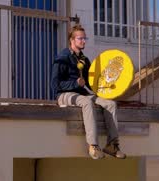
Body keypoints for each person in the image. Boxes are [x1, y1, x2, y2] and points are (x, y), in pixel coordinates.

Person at [52, 24, 125, 160]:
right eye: (80, 39)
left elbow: (92, 85)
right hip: (63, 95)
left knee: (110, 104)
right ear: (72, 40)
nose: (84, 41)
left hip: (80, 93)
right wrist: (74, 83)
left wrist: (106, 87)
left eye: (85, 38)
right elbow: (55, 85)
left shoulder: (84, 60)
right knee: (86, 101)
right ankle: (93, 145)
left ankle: (112, 144)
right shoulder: (62, 58)